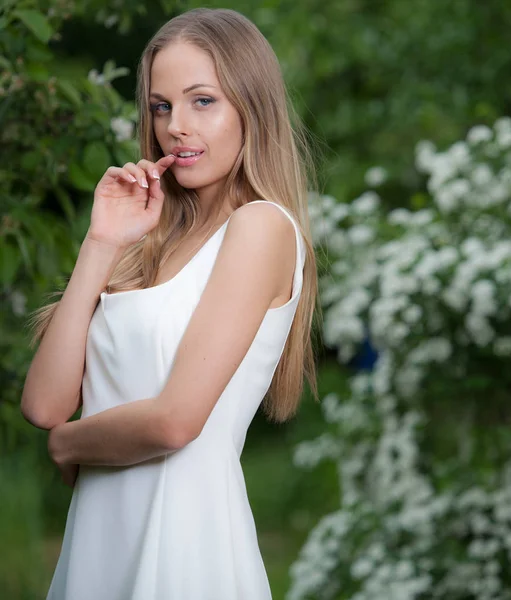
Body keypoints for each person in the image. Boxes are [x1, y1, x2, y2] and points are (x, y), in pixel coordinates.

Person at [21, 7, 320, 599]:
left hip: (185, 544)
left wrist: (70, 443)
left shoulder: (260, 227)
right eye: (162, 106)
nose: (176, 125)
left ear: (251, 106)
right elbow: (44, 403)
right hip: (100, 544)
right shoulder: (149, 243)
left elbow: (175, 421)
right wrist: (102, 241)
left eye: (202, 101)